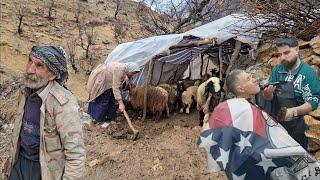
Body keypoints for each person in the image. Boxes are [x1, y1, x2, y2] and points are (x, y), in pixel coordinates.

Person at [198, 69, 319, 180]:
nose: (254, 79)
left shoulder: (253, 104)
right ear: (241, 89)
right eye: (248, 79)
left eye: (251, 76)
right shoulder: (240, 109)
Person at [1, 45, 86, 180]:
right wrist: (11, 159)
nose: (30, 70)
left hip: (45, 169)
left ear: (52, 74)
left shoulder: (63, 103)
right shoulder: (24, 91)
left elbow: (75, 154)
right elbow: (19, 132)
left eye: (39, 66)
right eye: (30, 61)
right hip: (20, 162)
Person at [263, 38, 320, 148]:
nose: (283, 57)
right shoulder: (277, 70)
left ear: (297, 49)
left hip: (298, 126)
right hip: (276, 124)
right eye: (280, 54)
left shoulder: (308, 73)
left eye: (286, 53)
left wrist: (293, 111)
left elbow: (314, 101)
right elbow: (270, 97)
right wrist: (267, 94)